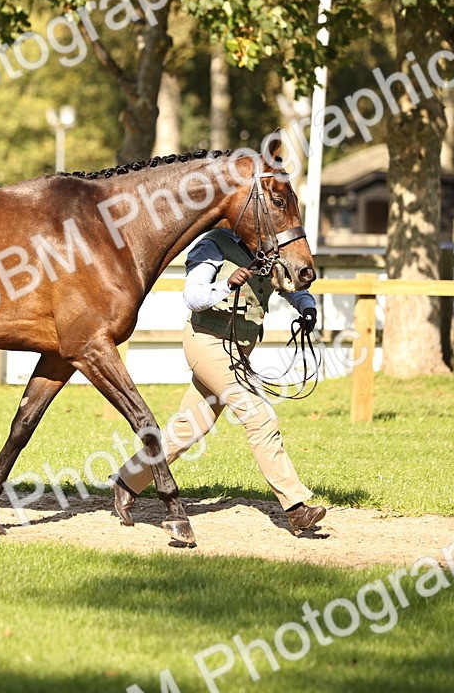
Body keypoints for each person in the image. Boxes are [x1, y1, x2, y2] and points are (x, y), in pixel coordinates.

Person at [110, 226, 326, 535]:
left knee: (191, 426)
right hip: (207, 343)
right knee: (260, 417)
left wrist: (307, 307)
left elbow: (290, 284)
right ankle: (296, 508)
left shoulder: (267, 248)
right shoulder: (212, 245)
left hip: (238, 348)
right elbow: (193, 296)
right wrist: (227, 282)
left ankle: (127, 480)